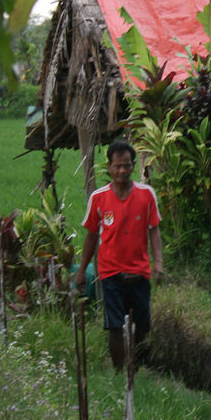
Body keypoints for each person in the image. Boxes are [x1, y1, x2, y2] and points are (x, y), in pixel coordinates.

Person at [75, 140, 163, 372]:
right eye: (117, 166)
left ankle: (135, 366)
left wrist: (159, 263)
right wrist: (82, 270)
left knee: (141, 325)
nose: (122, 171)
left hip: (139, 271)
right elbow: (91, 236)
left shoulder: (146, 195)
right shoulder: (99, 198)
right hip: (110, 271)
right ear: (110, 167)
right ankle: (118, 371)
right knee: (114, 325)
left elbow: (154, 229)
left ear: (133, 166)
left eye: (126, 166)